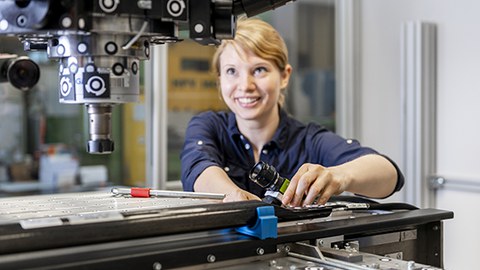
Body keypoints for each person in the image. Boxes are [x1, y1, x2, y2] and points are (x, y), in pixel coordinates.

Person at [180, 18, 404, 207]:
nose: (245, 85)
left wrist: (339, 177)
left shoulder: (309, 140)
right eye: (231, 71)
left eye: (259, 70)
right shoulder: (208, 126)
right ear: (220, 80)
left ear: (284, 76)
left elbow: (389, 175)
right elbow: (199, 168)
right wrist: (234, 196)